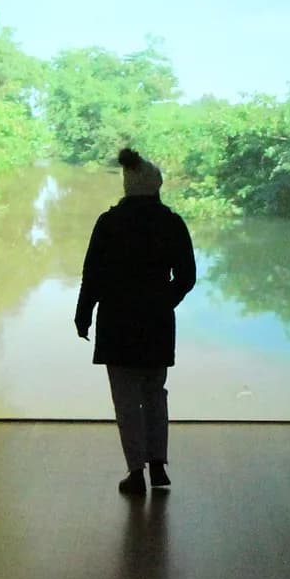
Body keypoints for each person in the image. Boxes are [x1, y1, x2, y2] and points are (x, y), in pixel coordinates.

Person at [75, 147, 197, 495]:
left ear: (127, 186)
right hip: (157, 323)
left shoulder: (108, 222)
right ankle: (159, 463)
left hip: (117, 322)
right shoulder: (171, 222)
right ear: (155, 187)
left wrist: (83, 315)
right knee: (155, 393)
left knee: (126, 399)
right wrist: (164, 302)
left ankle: (136, 471)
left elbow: (92, 275)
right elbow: (186, 276)